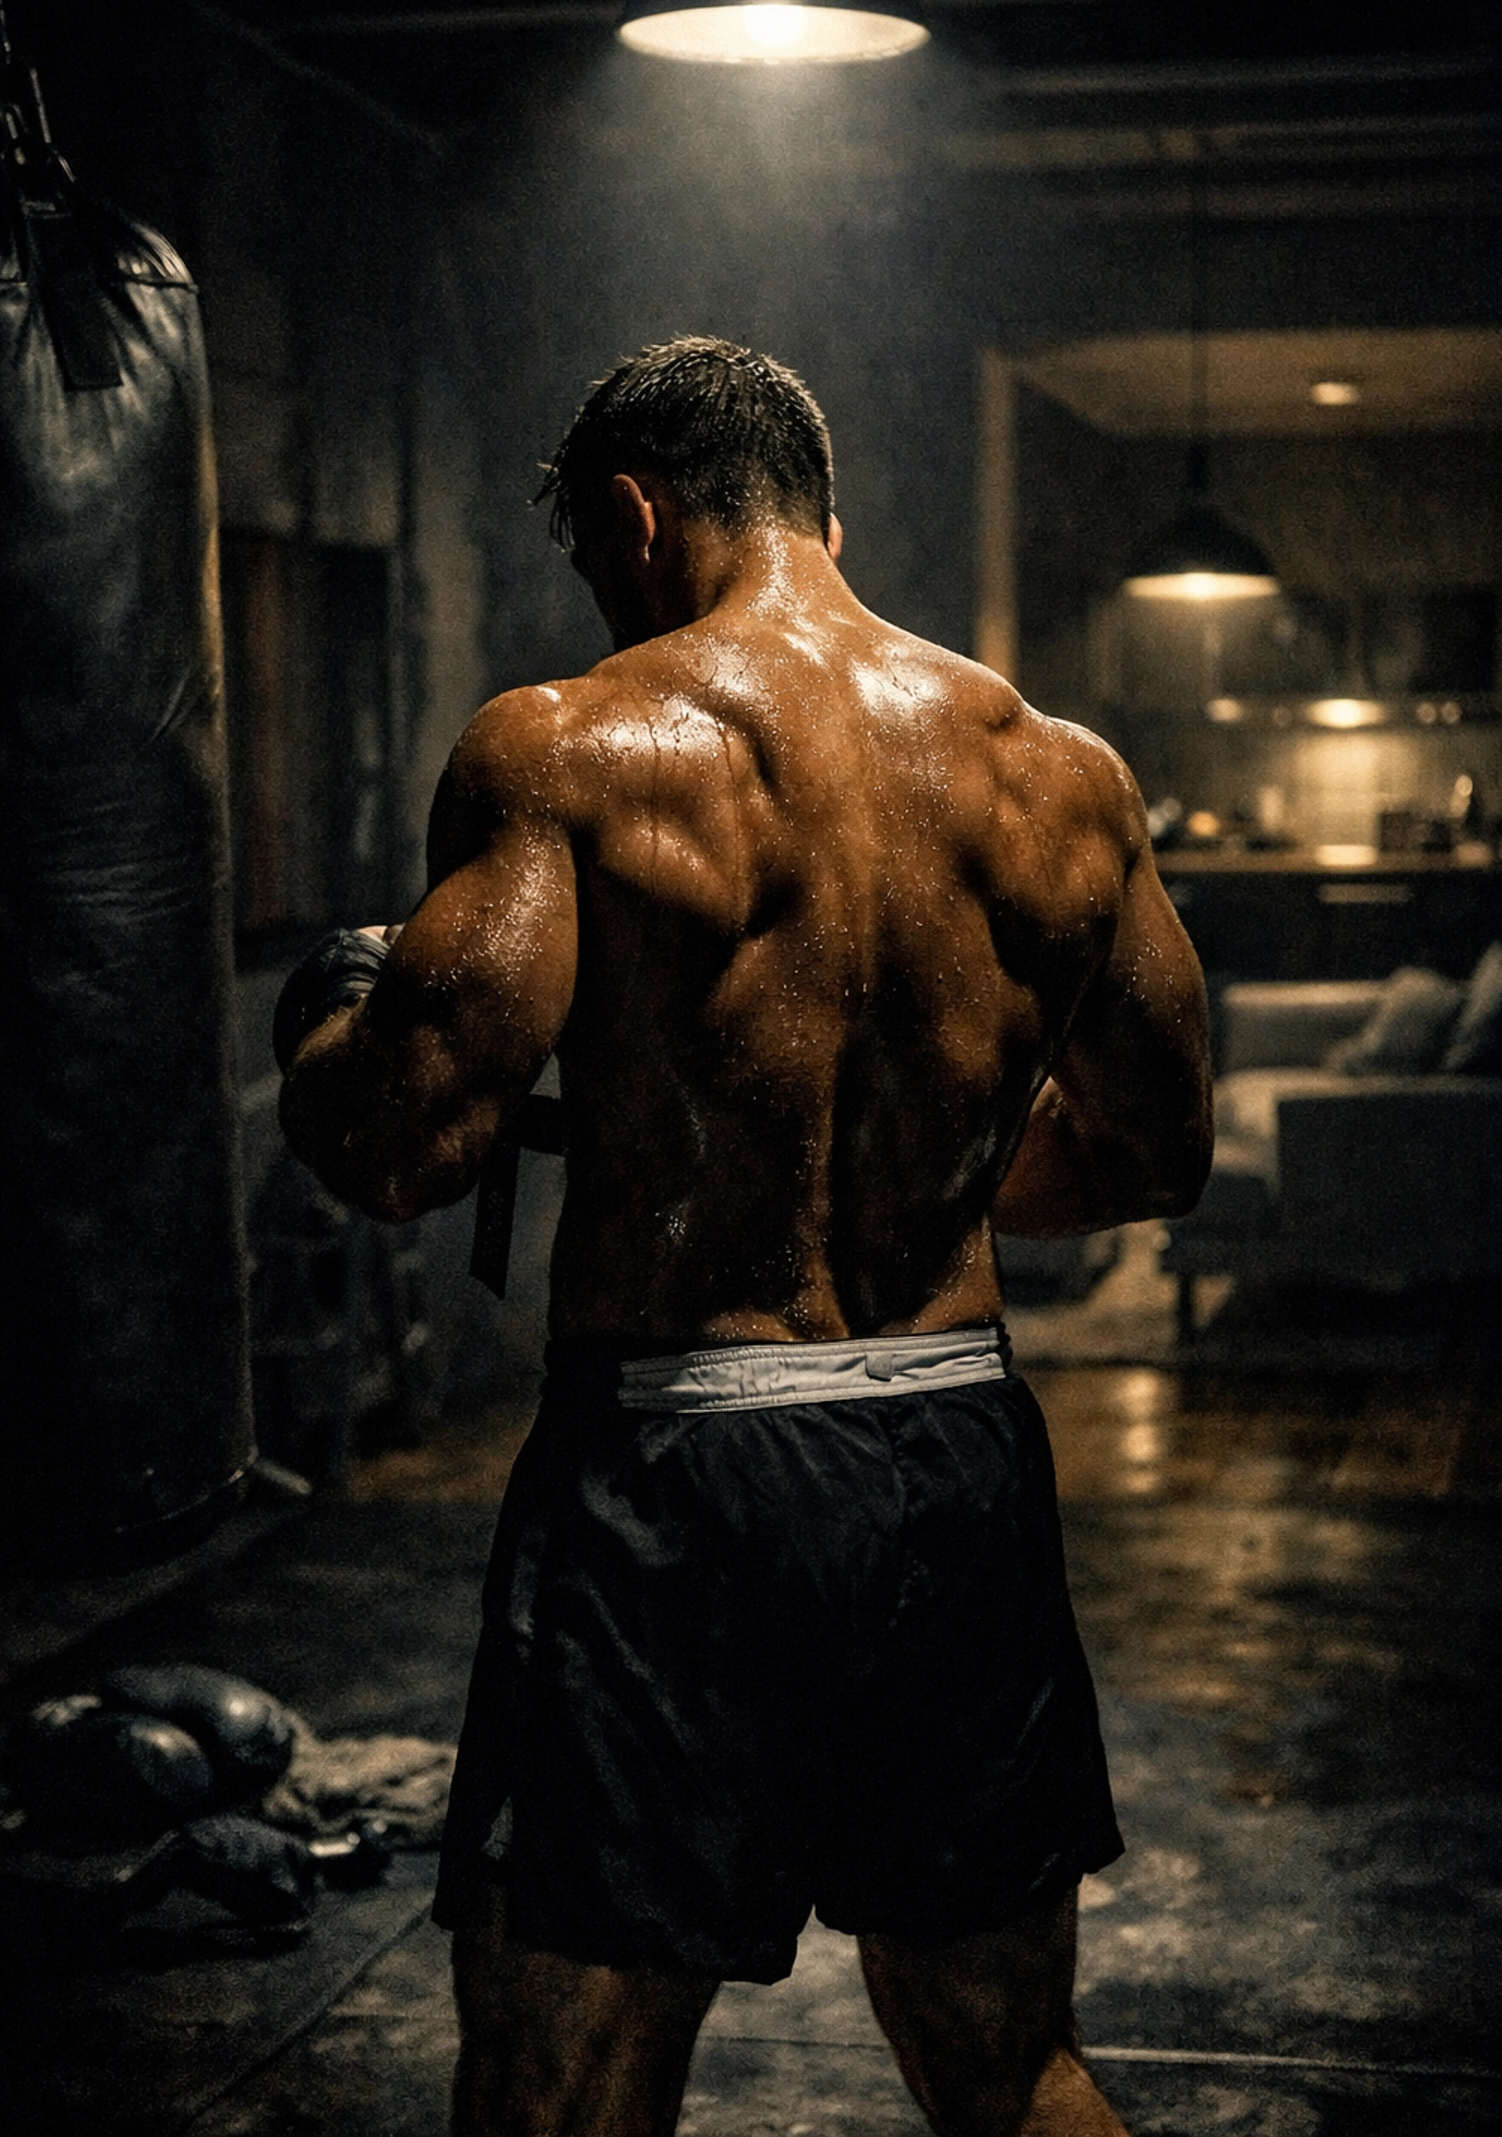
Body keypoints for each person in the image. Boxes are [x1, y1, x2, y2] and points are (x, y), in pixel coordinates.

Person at [275, 338, 1212, 2137]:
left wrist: (330, 1022)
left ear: (633, 516)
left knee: (567, 2085)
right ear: (825, 518)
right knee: (1012, 2072)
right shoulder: (1061, 773)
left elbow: (406, 1146)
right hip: (951, 1452)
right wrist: (912, 1186)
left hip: (676, 1481)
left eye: (594, 557)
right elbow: (1150, 1147)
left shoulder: (571, 745)